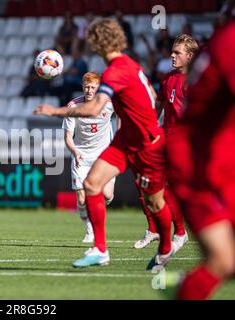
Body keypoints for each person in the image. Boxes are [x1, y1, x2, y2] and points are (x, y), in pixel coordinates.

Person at [34, 18, 175, 270]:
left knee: (154, 202)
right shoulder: (128, 65)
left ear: (99, 42)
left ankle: (166, 247)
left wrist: (54, 111)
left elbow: (95, 108)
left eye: (91, 40)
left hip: (146, 142)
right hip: (125, 139)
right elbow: (152, 96)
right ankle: (100, 249)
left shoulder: (115, 71)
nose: (89, 45)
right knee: (91, 184)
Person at [165, 21, 235, 300]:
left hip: (222, 161)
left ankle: (183, 287)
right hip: (196, 164)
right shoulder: (230, 40)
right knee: (224, 260)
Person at [134, 34, 199, 250]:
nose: (172, 56)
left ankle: (180, 232)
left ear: (189, 56)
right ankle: (154, 230)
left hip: (186, 145)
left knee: (169, 189)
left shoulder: (197, 81)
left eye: (177, 53)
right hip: (164, 140)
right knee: (144, 183)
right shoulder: (166, 77)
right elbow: (159, 105)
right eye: (172, 51)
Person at [62, 72, 116, 243]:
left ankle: (96, 214)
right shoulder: (73, 107)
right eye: (86, 87)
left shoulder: (108, 103)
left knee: (107, 195)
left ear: (98, 88)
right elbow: (68, 137)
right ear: (82, 87)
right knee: (82, 197)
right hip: (81, 155)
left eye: (93, 87)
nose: (89, 90)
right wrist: (75, 151)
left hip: (104, 155)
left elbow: (124, 113)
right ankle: (89, 228)